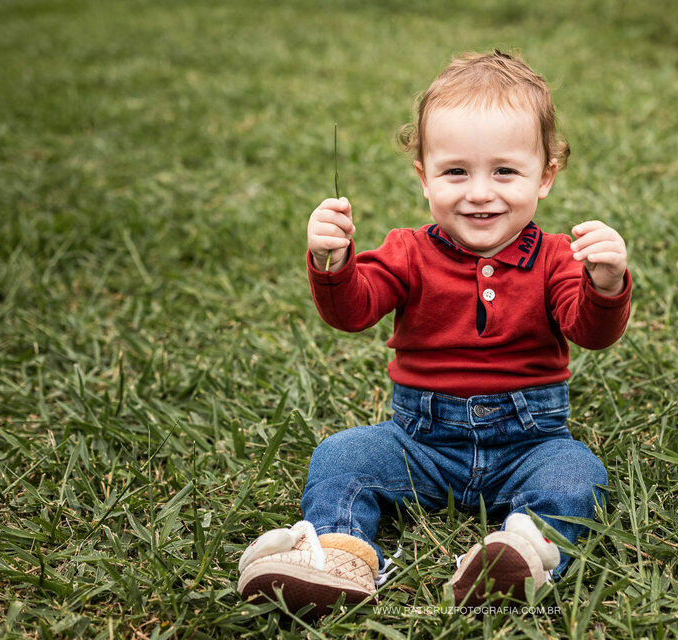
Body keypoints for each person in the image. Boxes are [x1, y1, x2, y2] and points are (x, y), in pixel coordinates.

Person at [237, 49, 631, 619]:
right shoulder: (407, 250)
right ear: (423, 177)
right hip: (420, 442)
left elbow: (588, 331)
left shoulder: (555, 258)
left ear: (545, 177)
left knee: (578, 473)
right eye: (455, 172)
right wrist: (333, 263)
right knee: (340, 456)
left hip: (530, 444)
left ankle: (522, 551)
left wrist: (606, 282)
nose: (478, 192)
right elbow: (354, 311)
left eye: (504, 171)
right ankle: (340, 556)